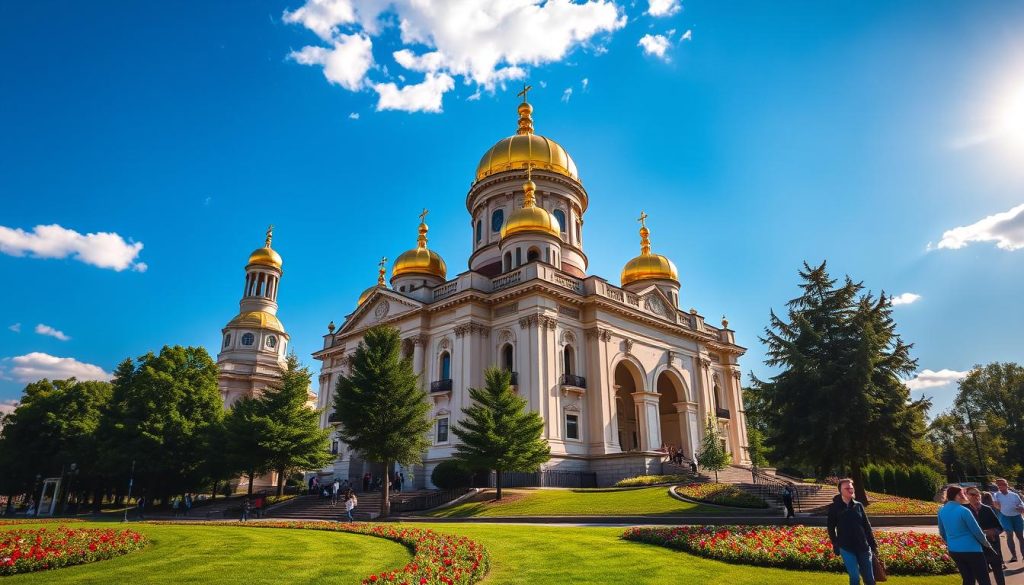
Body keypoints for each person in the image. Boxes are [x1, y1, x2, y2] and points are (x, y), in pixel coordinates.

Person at [939, 485, 996, 585]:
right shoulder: (964, 511)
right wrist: (987, 545)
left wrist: (951, 543)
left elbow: (942, 532)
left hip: (954, 550)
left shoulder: (942, 511)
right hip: (972, 550)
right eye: (963, 494)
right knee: (983, 580)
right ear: (957, 496)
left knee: (968, 579)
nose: (965, 496)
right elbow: (977, 531)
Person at [827, 478, 878, 585]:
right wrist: (835, 544)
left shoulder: (858, 505)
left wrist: (872, 544)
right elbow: (831, 528)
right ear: (840, 490)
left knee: (869, 579)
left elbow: (866, 526)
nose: (850, 490)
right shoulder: (834, 508)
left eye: (851, 487)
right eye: (847, 488)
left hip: (863, 547)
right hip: (846, 548)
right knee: (855, 577)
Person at [965, 487, 1005, 585]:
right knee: (982, 575)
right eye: (972, 494)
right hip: (976, 548)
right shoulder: (965, 510)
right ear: (966, 495)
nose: (975, 496)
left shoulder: (987, 509)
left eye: (977, 494)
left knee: (998, 572)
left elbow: (1000, 527)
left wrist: (993, 532)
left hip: (992, 546)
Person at [991, 478, 1024, 563]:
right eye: (999, 484)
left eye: (1003, 484)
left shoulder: (1014, 495)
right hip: (1005, 516)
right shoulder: (996, 495)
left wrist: (1021, 507)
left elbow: (1021, 503)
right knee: (1009, 535)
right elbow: (996, 505)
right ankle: (1014, 556)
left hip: (1017, 516)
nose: (1001, 486)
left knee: (1020, 536)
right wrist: (997, 504)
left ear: (1007, 485)